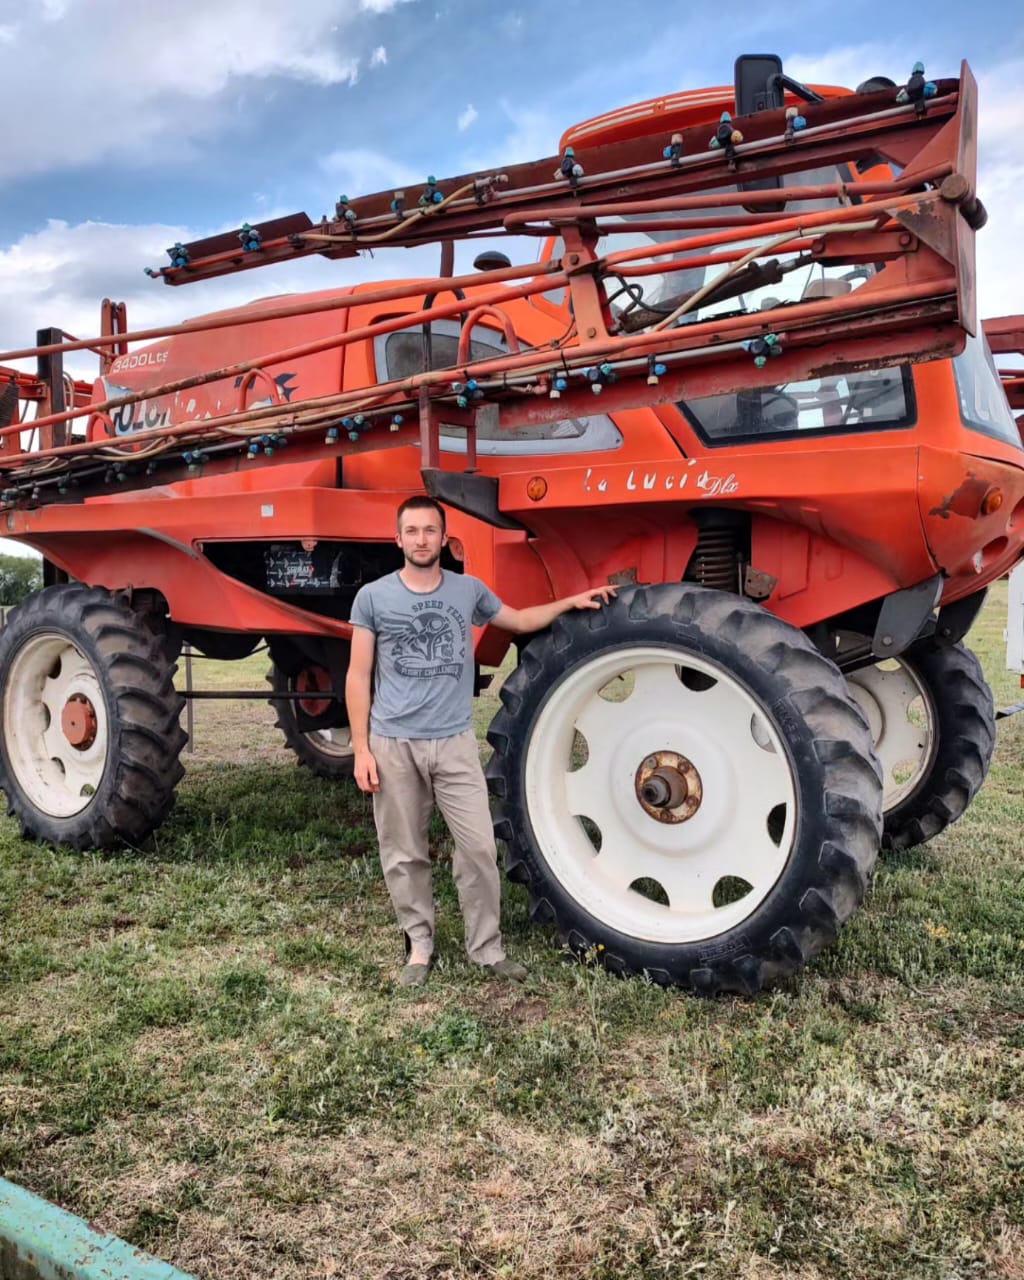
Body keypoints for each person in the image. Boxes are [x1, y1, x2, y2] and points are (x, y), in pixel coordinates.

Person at [345, 495, 616, 987]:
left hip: (453, 743)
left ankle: (485, 948)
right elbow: (358, 675)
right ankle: (419, 944)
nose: (421, 540)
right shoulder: (373, 598)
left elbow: (520, 620)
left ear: (443, 539)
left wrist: (571, 602)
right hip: (394, 743)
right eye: (412, 531)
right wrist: (362, 749)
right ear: (398, 539)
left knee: (478, 848)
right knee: (404, 852)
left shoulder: (467, 590)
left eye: (430, 531)